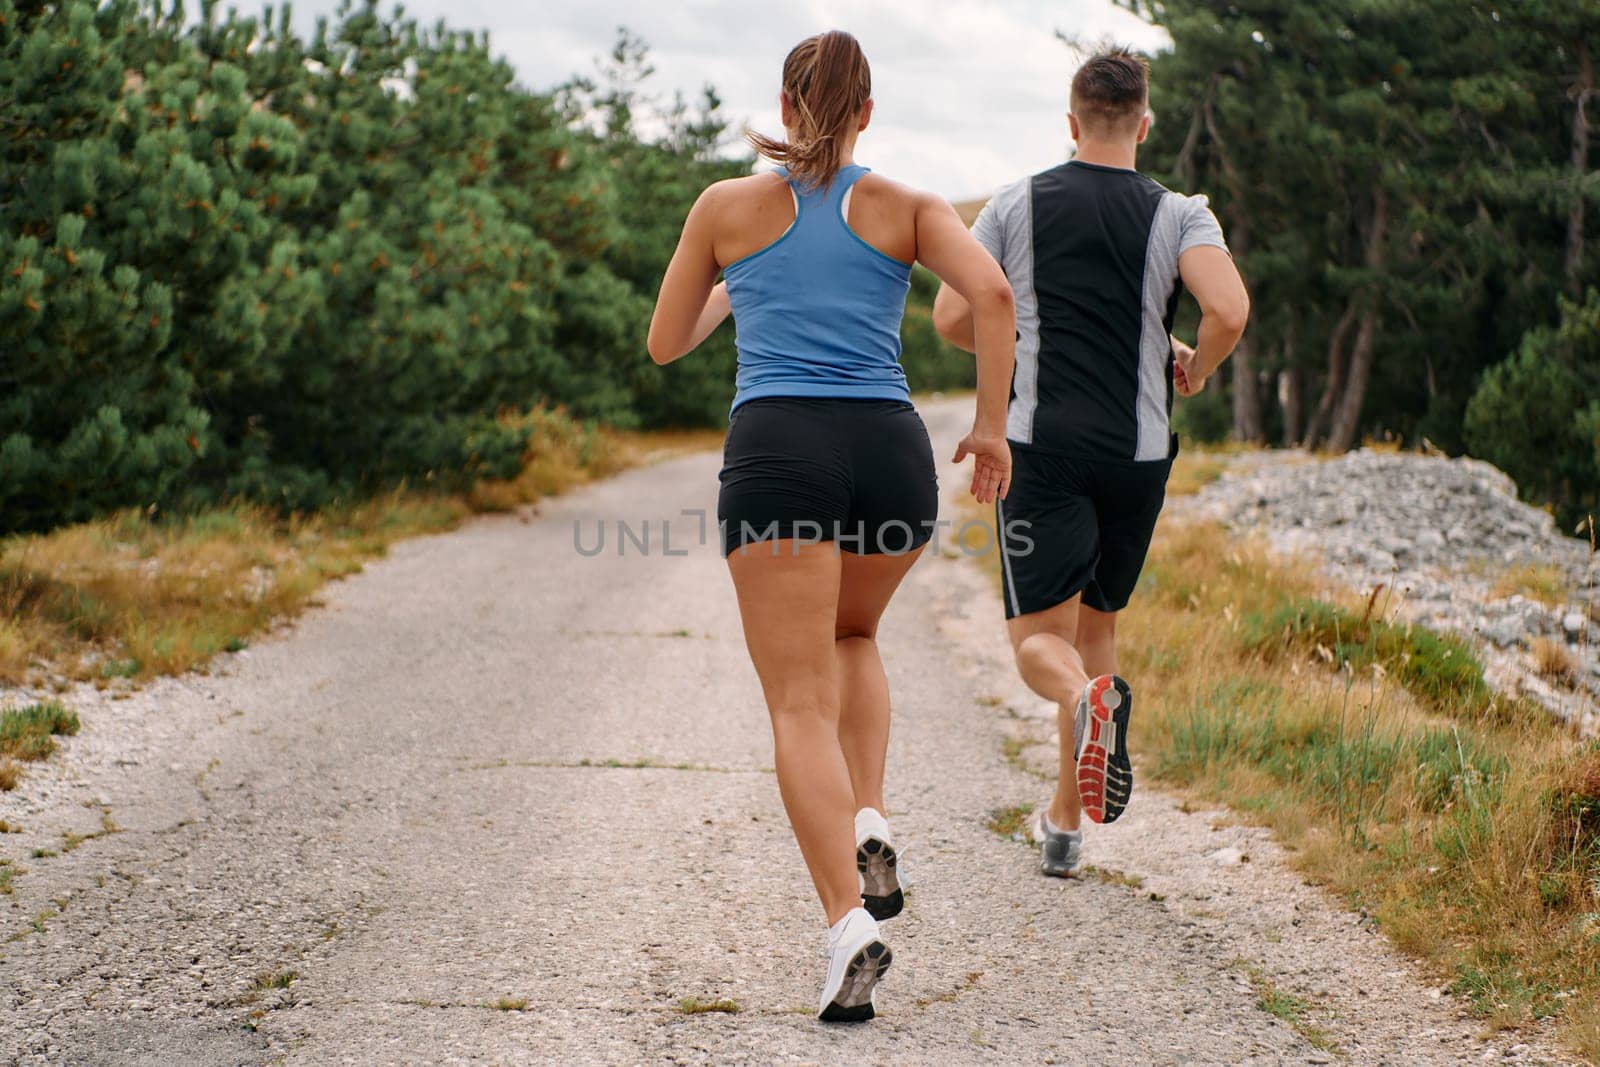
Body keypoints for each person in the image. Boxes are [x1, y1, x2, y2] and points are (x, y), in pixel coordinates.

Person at [647, 30, 1016, 1022]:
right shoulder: (906, 204)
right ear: (864, 113)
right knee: (855, 635)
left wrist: (738, 285)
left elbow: (663, 341)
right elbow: (990, 293)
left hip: (780, 447)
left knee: (797, 704)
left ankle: (848, 922)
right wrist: (987, 429)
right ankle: (866, 811)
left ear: (783, 99)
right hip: (889, 453)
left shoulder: (725, 207)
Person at [932, 46, 1249, 878]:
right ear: (1144, 125)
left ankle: (1082, 706)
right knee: (1095, 627)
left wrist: (1021, 336)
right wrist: (1195, 364)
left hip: (1041, 450)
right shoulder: (1183, 214)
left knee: (1044, 643)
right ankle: (1065, 833)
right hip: (1138, 452)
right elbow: (1230, 307)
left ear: (1071, 124)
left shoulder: (1012, 204)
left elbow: (950, 318)